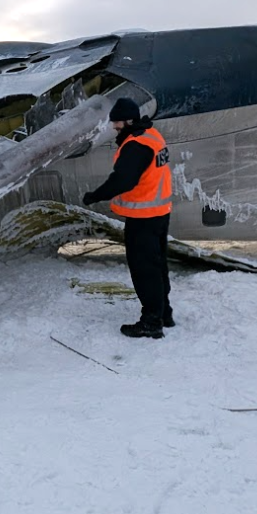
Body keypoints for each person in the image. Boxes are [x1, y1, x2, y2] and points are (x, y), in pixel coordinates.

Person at [81, 97, 174, 339]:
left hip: (143, 217)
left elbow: (122, 181)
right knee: (157, 265)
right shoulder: (152, 135)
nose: (114, 127)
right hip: (159, 213)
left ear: (129, 121)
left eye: (117, 122)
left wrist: (94, 196)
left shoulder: (135, 146)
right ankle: (164, 313)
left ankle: (151, 322)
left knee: (144, 270)